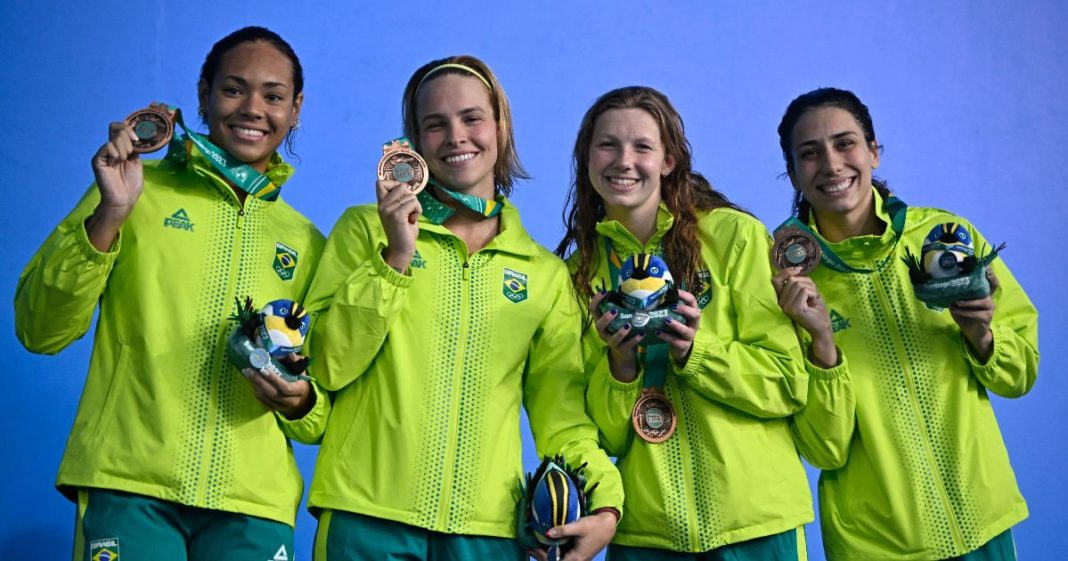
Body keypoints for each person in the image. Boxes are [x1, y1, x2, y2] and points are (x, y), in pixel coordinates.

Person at [14, 26, 327, 561]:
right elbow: (39, 329)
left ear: (295, 109)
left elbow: (320, 406)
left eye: (273, 96)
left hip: (254, 504)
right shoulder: (135, 190)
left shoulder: (308, 242)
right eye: (234, 89)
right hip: (131, 484)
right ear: (203, 94)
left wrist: (302, 402)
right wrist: (110, 213)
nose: (253, 108)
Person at [303, 55, 623, 561]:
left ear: (500, 126)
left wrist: (605, 503)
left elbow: (560, 412)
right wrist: (394, 258)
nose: (456, 136)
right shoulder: (365, 231)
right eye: (436, 124)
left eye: (472, 118)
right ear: (414, 143)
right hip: (365, 518)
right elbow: (324, 366)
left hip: (487, 532)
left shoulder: (542, 275)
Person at [774, 87, 1038, 561]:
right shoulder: (784, 281)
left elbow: (1020, 376)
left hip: (984, 521)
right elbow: (823, 451)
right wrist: (822, 343)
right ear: (793, 172)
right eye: (809, 153)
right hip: (874, 545)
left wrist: (982, 335)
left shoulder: (947, 238)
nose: (831, 164)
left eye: (845, 143)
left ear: (874, 152)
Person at [556, 85, 814, 560]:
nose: (623, 160)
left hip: (757, 525)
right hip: (647, 535)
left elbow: (787, 383)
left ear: (669, 160)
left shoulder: (734, 237)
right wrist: (620, 365)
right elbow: (607, 436)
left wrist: (696, 351)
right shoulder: (578, 278)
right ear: (587, 158)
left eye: (642, 146)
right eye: (607, 145)